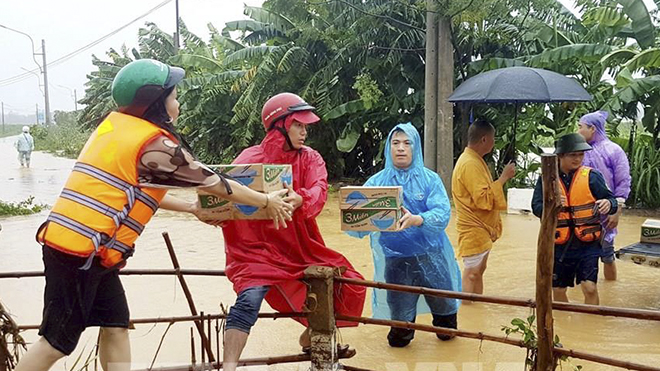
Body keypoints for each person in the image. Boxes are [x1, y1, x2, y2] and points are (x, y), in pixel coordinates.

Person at [14, 59, 293, 371]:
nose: (178, 102)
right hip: (79, 254)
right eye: (173, 97)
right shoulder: (154, 145)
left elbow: (136, 195)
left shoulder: (116, 130)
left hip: (92, 252)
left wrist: (191, 208)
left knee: (116, 325)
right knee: (56, 342)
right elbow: (216, 183)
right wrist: (266, 200)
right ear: (155, 104)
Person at [220, 93, 366, 371]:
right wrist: (213, 214)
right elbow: (223, 196)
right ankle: (228, 366)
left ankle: (310, 338)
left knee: (349, 284)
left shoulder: (311, 159)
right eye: (298, 125)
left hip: (300, 247)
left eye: (305, 126)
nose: (305, 131)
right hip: (254, 250)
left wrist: (302, 198)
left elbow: (319, 189)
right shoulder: (248, 160)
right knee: (249, 301)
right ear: (279, 125)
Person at [347, 123, 461, 348]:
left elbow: (442, 214)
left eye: (407, 143)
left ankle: (444, 324)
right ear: (389, 147)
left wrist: (417, 219)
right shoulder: (377, 183)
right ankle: (402, 330)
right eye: (395, 143)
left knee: (446, 331)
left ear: (415, 147)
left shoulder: (430, 180)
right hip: (396, 261)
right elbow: (356, 223)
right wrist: (359, 219)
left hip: (432, 257)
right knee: (399, 338)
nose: (401, 148)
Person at [532, 133, 618, 305]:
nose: (578, 158)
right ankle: (564, 326)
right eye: (573, 155)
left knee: (590, 287)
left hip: (587, 243)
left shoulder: (592, 177)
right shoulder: (547, 179)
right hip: (559, 244)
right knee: (558, 290)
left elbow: (611, 200)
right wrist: (551, 207)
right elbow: (536, 207)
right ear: (560, 156)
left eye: (581, 154)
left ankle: (591, 326)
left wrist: (609, 204)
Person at [451, 120, 515, 295]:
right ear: (485, 140)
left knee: (479, 271)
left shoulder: (474, 160)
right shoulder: (470, 163)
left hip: (480, 228)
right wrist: (503, 178)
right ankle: (467, 310)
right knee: (472, 273)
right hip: (473, 227)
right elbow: (483, 199)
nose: (494, 143)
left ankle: (476, 307)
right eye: (493, 138)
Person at [577, 111, 630, 281]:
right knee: (579, 257)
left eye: (580, 127)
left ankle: (609, 289)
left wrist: (617, 210)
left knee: (607, 255)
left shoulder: (614, 150)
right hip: (581, 212)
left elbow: (623, 181)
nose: (578, 131)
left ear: (592, 128)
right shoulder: (579, 151)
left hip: (607, 211)